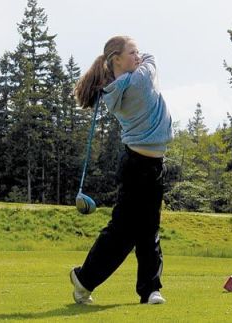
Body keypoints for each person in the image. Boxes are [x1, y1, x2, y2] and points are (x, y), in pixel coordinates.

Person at [70, 35, 173, 305]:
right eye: (132, 52)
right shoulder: (139, 80)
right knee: (124, 233)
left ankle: (150, 290)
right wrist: (141, 57)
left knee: (146, 229)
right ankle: (84, 280)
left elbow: (141, 61)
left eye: (137, 52)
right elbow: (152, 60)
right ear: (116, 59)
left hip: (149, 165)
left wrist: (123, 60)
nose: (138, 56)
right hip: (140, 167)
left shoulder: (114, 89)